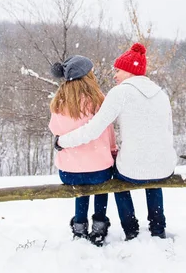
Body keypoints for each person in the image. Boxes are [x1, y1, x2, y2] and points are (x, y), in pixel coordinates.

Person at [55, 43, 177, 240]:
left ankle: (130, 228)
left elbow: (94, 129)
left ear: (129, 71)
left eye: (118, 70)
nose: (115, 75)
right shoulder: (161, 93)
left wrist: (63, 141)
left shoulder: (120, 93)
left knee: (118, 179)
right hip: (164, 166)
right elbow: (168, 131)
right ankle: (158, 228)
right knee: (154, 178)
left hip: (133, 170)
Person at [49, 55, 117, 247]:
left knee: (81, 188)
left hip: (69, 173)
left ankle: (79, 226)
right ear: (88, 76)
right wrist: (112, 151)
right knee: (100, 185)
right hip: (99, 170)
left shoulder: (59, 102)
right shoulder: (99, 100)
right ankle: (99, 226)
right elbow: (109, 131)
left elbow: (56, 130)